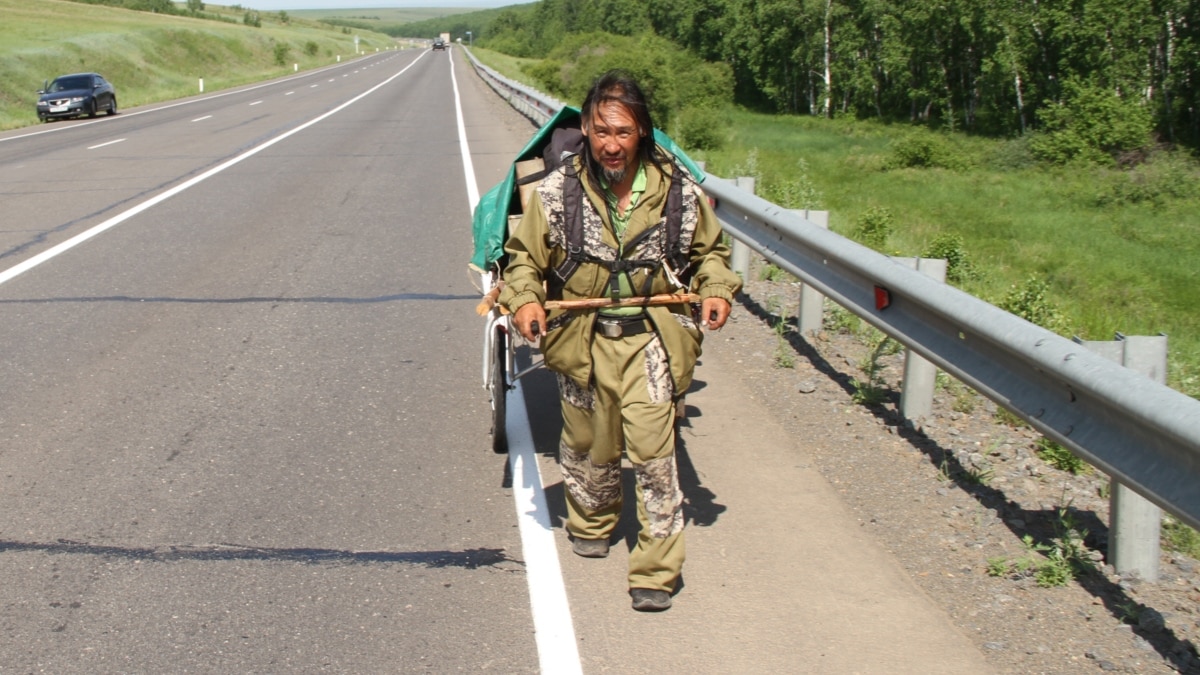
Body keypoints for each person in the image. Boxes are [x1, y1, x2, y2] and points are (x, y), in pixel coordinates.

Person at [499, 71, 741, 612]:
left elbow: (711, 256)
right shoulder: (556, 192)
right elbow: (523, 260)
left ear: (642, 133)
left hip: (652, 337)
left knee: (654, 454)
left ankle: (655, 571)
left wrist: (716, 289)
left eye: (624, 133)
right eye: (602, 131)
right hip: (580, 336)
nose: (612, 144)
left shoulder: (677, 191)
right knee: (591, 443)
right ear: (586, 128)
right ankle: (592, 519)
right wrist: (526, 300)